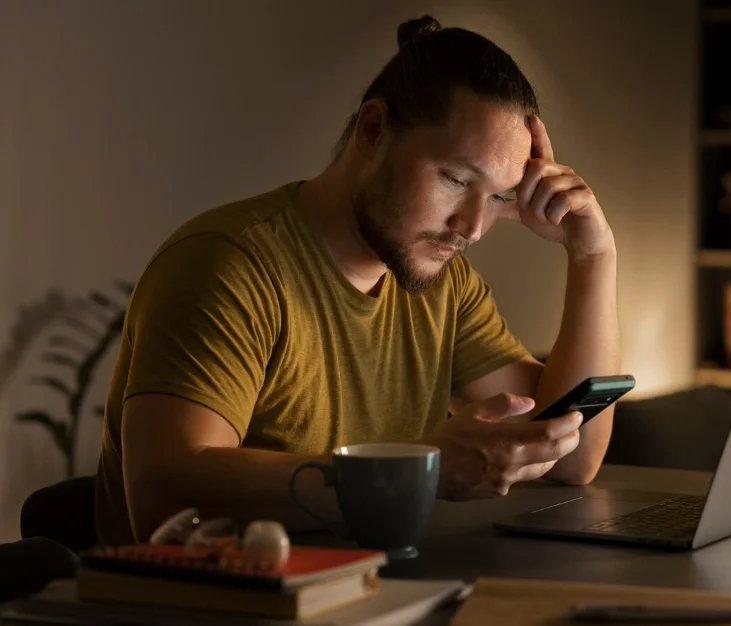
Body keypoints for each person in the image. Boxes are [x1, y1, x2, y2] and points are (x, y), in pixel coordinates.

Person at [94, 14, 620, 547]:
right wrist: (423, 468)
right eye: (457, 180)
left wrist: (593, 256)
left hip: (370, 595)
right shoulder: (228, 265)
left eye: (499, 196)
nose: (473, 227)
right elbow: (161, 501)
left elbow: (571, 457)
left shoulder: (443, 285)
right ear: (372, 130)